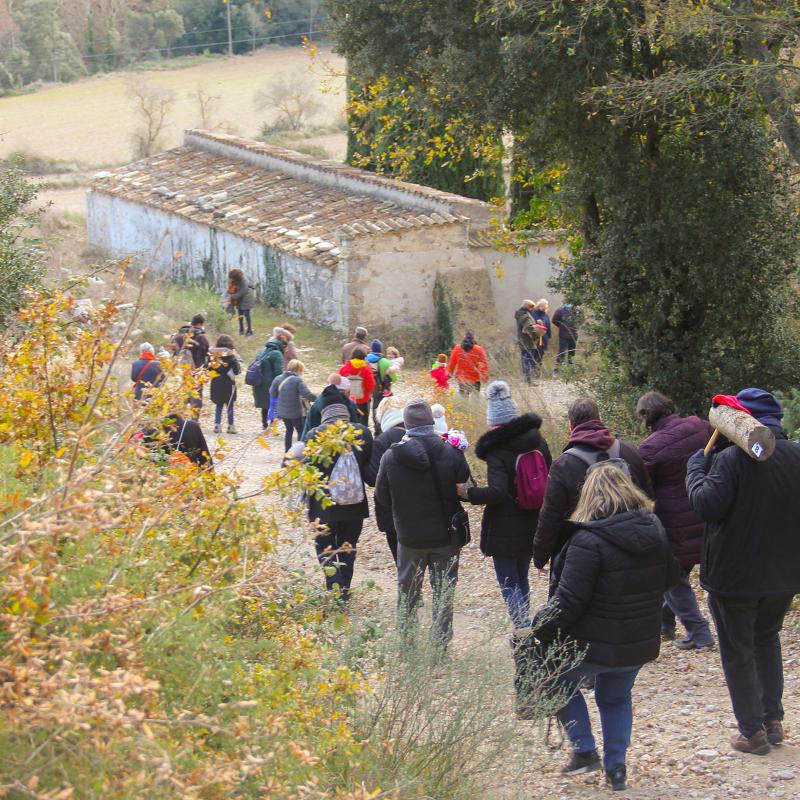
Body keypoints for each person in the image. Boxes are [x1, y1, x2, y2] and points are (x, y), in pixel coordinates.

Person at [532, 462, 679, 791]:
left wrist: (537, 629)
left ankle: (584, 750)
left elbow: (568, 602)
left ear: (589, 494)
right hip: (638, 642)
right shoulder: (654, 528)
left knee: (557, 682)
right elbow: (671, 580)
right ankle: (617, 768)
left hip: (592, 642)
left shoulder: (588, 540)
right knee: (616, 698)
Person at [686, 388, 800, 756]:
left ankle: (752, 732)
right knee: (766, 640)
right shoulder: (797, 455)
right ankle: (772, 721)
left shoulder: (732, 459)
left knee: (738, 651)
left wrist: (696, 470)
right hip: (783, 575)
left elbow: (706, 504)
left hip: (734, 578)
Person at [375, 400, 471, 648]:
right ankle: (440, 647)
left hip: (409, 538)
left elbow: (382, 497)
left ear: (406, 425)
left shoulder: (390, 457)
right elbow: (465, 489)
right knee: (443, 594)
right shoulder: (451, 453)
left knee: (407, 592)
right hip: (446, 537)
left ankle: (407, 644)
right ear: (431, 422)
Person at [462, 381, 552, 628]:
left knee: (507, 581)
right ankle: (526, 626)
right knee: (521, 576)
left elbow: (497, 492)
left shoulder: (497, 450)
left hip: (505, 526)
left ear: (494, 421)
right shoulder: (538, 442)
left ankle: (523, 629)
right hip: (534, 518)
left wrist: (470, 494)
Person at [533, 397, 652, 571]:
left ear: (570, 426)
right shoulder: (630, 451)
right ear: (600, 420)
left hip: (585, 555)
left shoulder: (563, 465)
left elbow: (550, 517)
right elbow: (649, 498)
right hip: (633, 547)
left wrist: (540, 557)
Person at [636, 391, 714, 650]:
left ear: (646, 416)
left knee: (670, 578)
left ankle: (699, 632)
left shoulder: (650, 447)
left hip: (673, 521)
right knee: (676, 573)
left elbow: (642, 489)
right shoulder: (699, 425)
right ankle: (664, 623)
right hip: (704, 510)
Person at [304, 402, 373, 602]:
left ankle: (335, 588)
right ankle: (344, 590)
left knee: (324, 547)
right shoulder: (363, 434)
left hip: (323, 507)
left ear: (324, 418)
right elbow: (369, 471)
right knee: (348, 547)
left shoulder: (314, 436)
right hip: (354, 507)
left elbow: (308, 471)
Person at [363, 396, 407, 565]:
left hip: (391, 507)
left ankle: (407, 589)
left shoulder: (382, 441)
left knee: (401, 561)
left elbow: (373, 478)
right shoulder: (419, 433)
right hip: (421, 505)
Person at [270, 359, 316, 452]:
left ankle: (287, 451)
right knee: (300, 431)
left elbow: (272, 392)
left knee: (289, 430)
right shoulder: (297, 380)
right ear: (298, 369)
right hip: (296, 412)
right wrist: (319, 399)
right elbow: (307, 394)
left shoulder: (278, 378)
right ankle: (299, 451)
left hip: (282, 412)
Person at [139, 414, 212, 468]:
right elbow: (205, 458)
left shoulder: (151, 430)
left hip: (159, 482)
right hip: (188, 480)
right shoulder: (192, 427)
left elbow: (138, 453)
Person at [302, 373, 360, 439]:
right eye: (348, 392)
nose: (349, 395)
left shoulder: (317, 403)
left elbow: (307, 429)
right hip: (344, 440)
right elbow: (355, 427)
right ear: (344, 392)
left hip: (319, 441)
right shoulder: (349, 404)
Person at [251, 329, 286, 431]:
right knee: (273, 403)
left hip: (259, 381)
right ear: (282, 345)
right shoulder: (277, 353)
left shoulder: (262, 350)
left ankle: (264, 424)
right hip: (271, 383)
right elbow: (278, 372)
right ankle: (272, 425)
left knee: (264, 404)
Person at [209, 335, 241, 434]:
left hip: (216, 382)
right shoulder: (232, 356)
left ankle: (217, 425)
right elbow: (236, 370)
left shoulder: (214, 355)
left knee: (219, 405)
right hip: (229, 383)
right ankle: (230, 426)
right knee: (229, 405)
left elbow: (209, 368)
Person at [339, 345, 376, 426]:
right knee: (363, 423)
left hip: (348, 400)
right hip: (363, 401)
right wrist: (365, 392)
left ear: (352, 355)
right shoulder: (367, 369)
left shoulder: (344, 368)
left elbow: (340, 384)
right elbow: (371, 385)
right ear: (364, 357)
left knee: (349, 423)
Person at [515, 299, 539, 384]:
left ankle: (527, 379)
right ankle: (529, 381)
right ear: (529, 307)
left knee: (525, 360)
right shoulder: (526, 316)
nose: (533, 310)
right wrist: (537, 335)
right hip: (528, 342)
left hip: (522, 341)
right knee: (528, 361)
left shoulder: (520, 314)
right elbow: (529, 328)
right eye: (532, 308)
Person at [226, 269, 255, 336]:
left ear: (237, 277)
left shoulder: (244, 281)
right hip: (239, 300)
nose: (232, 279)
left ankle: (249, 331)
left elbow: (241, 293)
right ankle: (241, 329)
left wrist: (231, 297)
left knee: (247, 315)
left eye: (233, 278)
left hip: (247, 300)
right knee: (240, 316)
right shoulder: (235, 280)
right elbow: (231, 289)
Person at [531, 299, 552, 376]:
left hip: (544, 339)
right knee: (534, 355)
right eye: (541, 305)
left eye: (544, 306)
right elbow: (531, 325)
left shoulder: (546, 315)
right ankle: (532, 372)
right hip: (535, 338)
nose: (542, 307)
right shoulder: (533, 313)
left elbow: (548, 326)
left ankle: (537, 372)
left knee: (540, 356)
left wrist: (549, 336)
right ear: (538, 305)